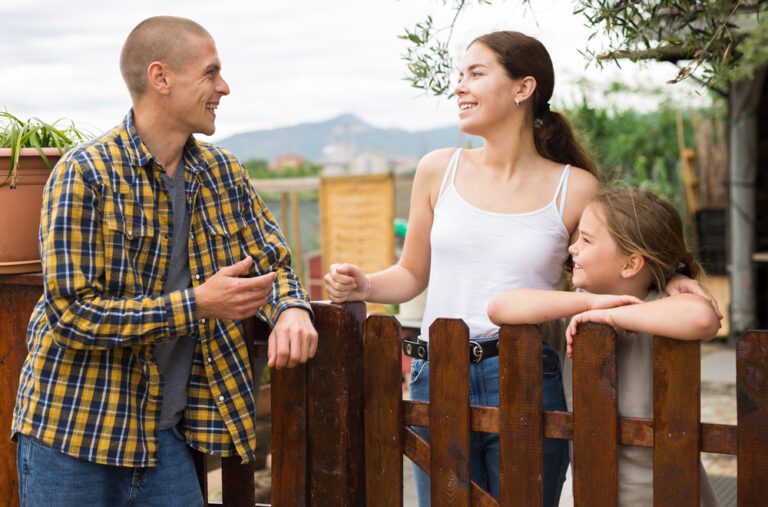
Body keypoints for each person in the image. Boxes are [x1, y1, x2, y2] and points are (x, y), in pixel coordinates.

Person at [12, 16, 317, 507]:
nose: (224, 87)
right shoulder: (84, 174)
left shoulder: (222, 172)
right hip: (73, 438)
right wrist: (196, 305)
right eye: (211, 72)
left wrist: (292, 309)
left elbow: (273, 262)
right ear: (161, 77)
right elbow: (72, 315)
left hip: (164, 444)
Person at [326, 31, 601, 506]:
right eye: (459, 75)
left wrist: (676, 280)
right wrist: (365, 284)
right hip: (437, 370)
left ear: (523, 88)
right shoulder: (438, 169)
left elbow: (607, 272)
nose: (459, 86)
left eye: (476, 74)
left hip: (525, 373)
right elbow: (412, 274)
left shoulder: (575, 189)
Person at [487, 188, 721, 506]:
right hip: (597, 491)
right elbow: (501, 307)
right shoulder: (574, 312)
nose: (573, 247)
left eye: (586, 239)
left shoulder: (663, 305)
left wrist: (608, 315)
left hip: (671, 494)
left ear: (630, 264)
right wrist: (590, 303)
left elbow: (702, 317)